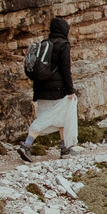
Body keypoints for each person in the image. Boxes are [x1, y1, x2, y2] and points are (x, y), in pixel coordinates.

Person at [19, 16, 77, 161]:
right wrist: (70, 90)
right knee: (53, 117)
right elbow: (65, 69)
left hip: (41, 89)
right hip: (58, 89)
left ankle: (65, 149)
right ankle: (26, 146)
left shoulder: (44, 44)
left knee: (59, 117)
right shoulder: (63, 44)